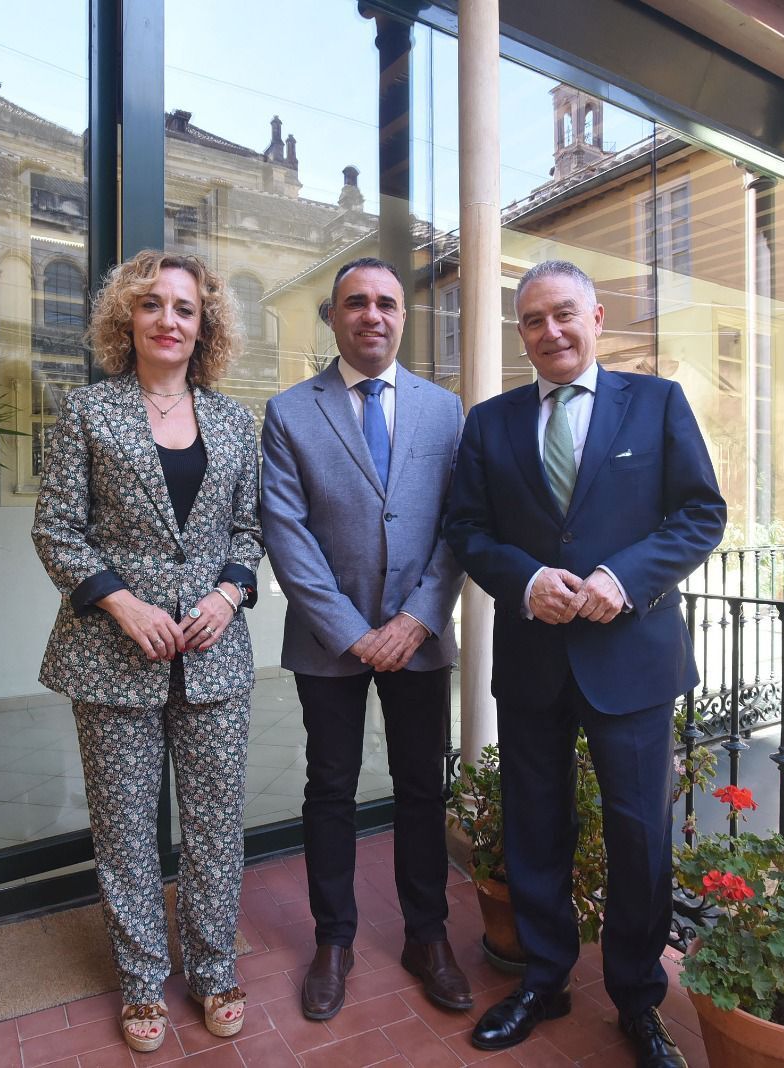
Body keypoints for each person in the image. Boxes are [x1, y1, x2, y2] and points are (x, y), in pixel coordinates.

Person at [443, 260, 725, 1067]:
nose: (551, 332)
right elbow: (467, 530)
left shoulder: (658, 402)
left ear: (596, 317)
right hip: (533, 656)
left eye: (564, 314)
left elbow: (703, 513)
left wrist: (622, 578)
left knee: (638, 836)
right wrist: (527, 580)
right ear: (521, 334)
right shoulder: (491, 423)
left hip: (631, 659)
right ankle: (544, 978)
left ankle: (639, 999)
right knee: (535, 825)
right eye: (533, 321)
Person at [32, 250, 263, 1054]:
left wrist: (226, 596)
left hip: (213, 655)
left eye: (187, 309)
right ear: (126, 317)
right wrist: (123, 603)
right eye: (155, 304)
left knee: (213, 826)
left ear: (206, 328)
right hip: (112, 655)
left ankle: (210, 966)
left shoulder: (235, 421)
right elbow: (56, 528)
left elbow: (248, 530)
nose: (170, 319)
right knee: (126, 831)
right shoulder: (88, 413)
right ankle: (139, 984)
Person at [260, 257, 471, 1021]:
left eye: (386, 303)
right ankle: (334, 940)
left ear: (402, 317)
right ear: (334, 317)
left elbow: (459, 528)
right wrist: (355, 634)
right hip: (329, 645)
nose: (372, 315)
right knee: (331, 790)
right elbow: (287, 537)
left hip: (420, 634)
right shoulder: (288, 412)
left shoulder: (445, 412)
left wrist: (415, 619)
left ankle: (427, 935)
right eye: (356, 303)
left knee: (422, 789)